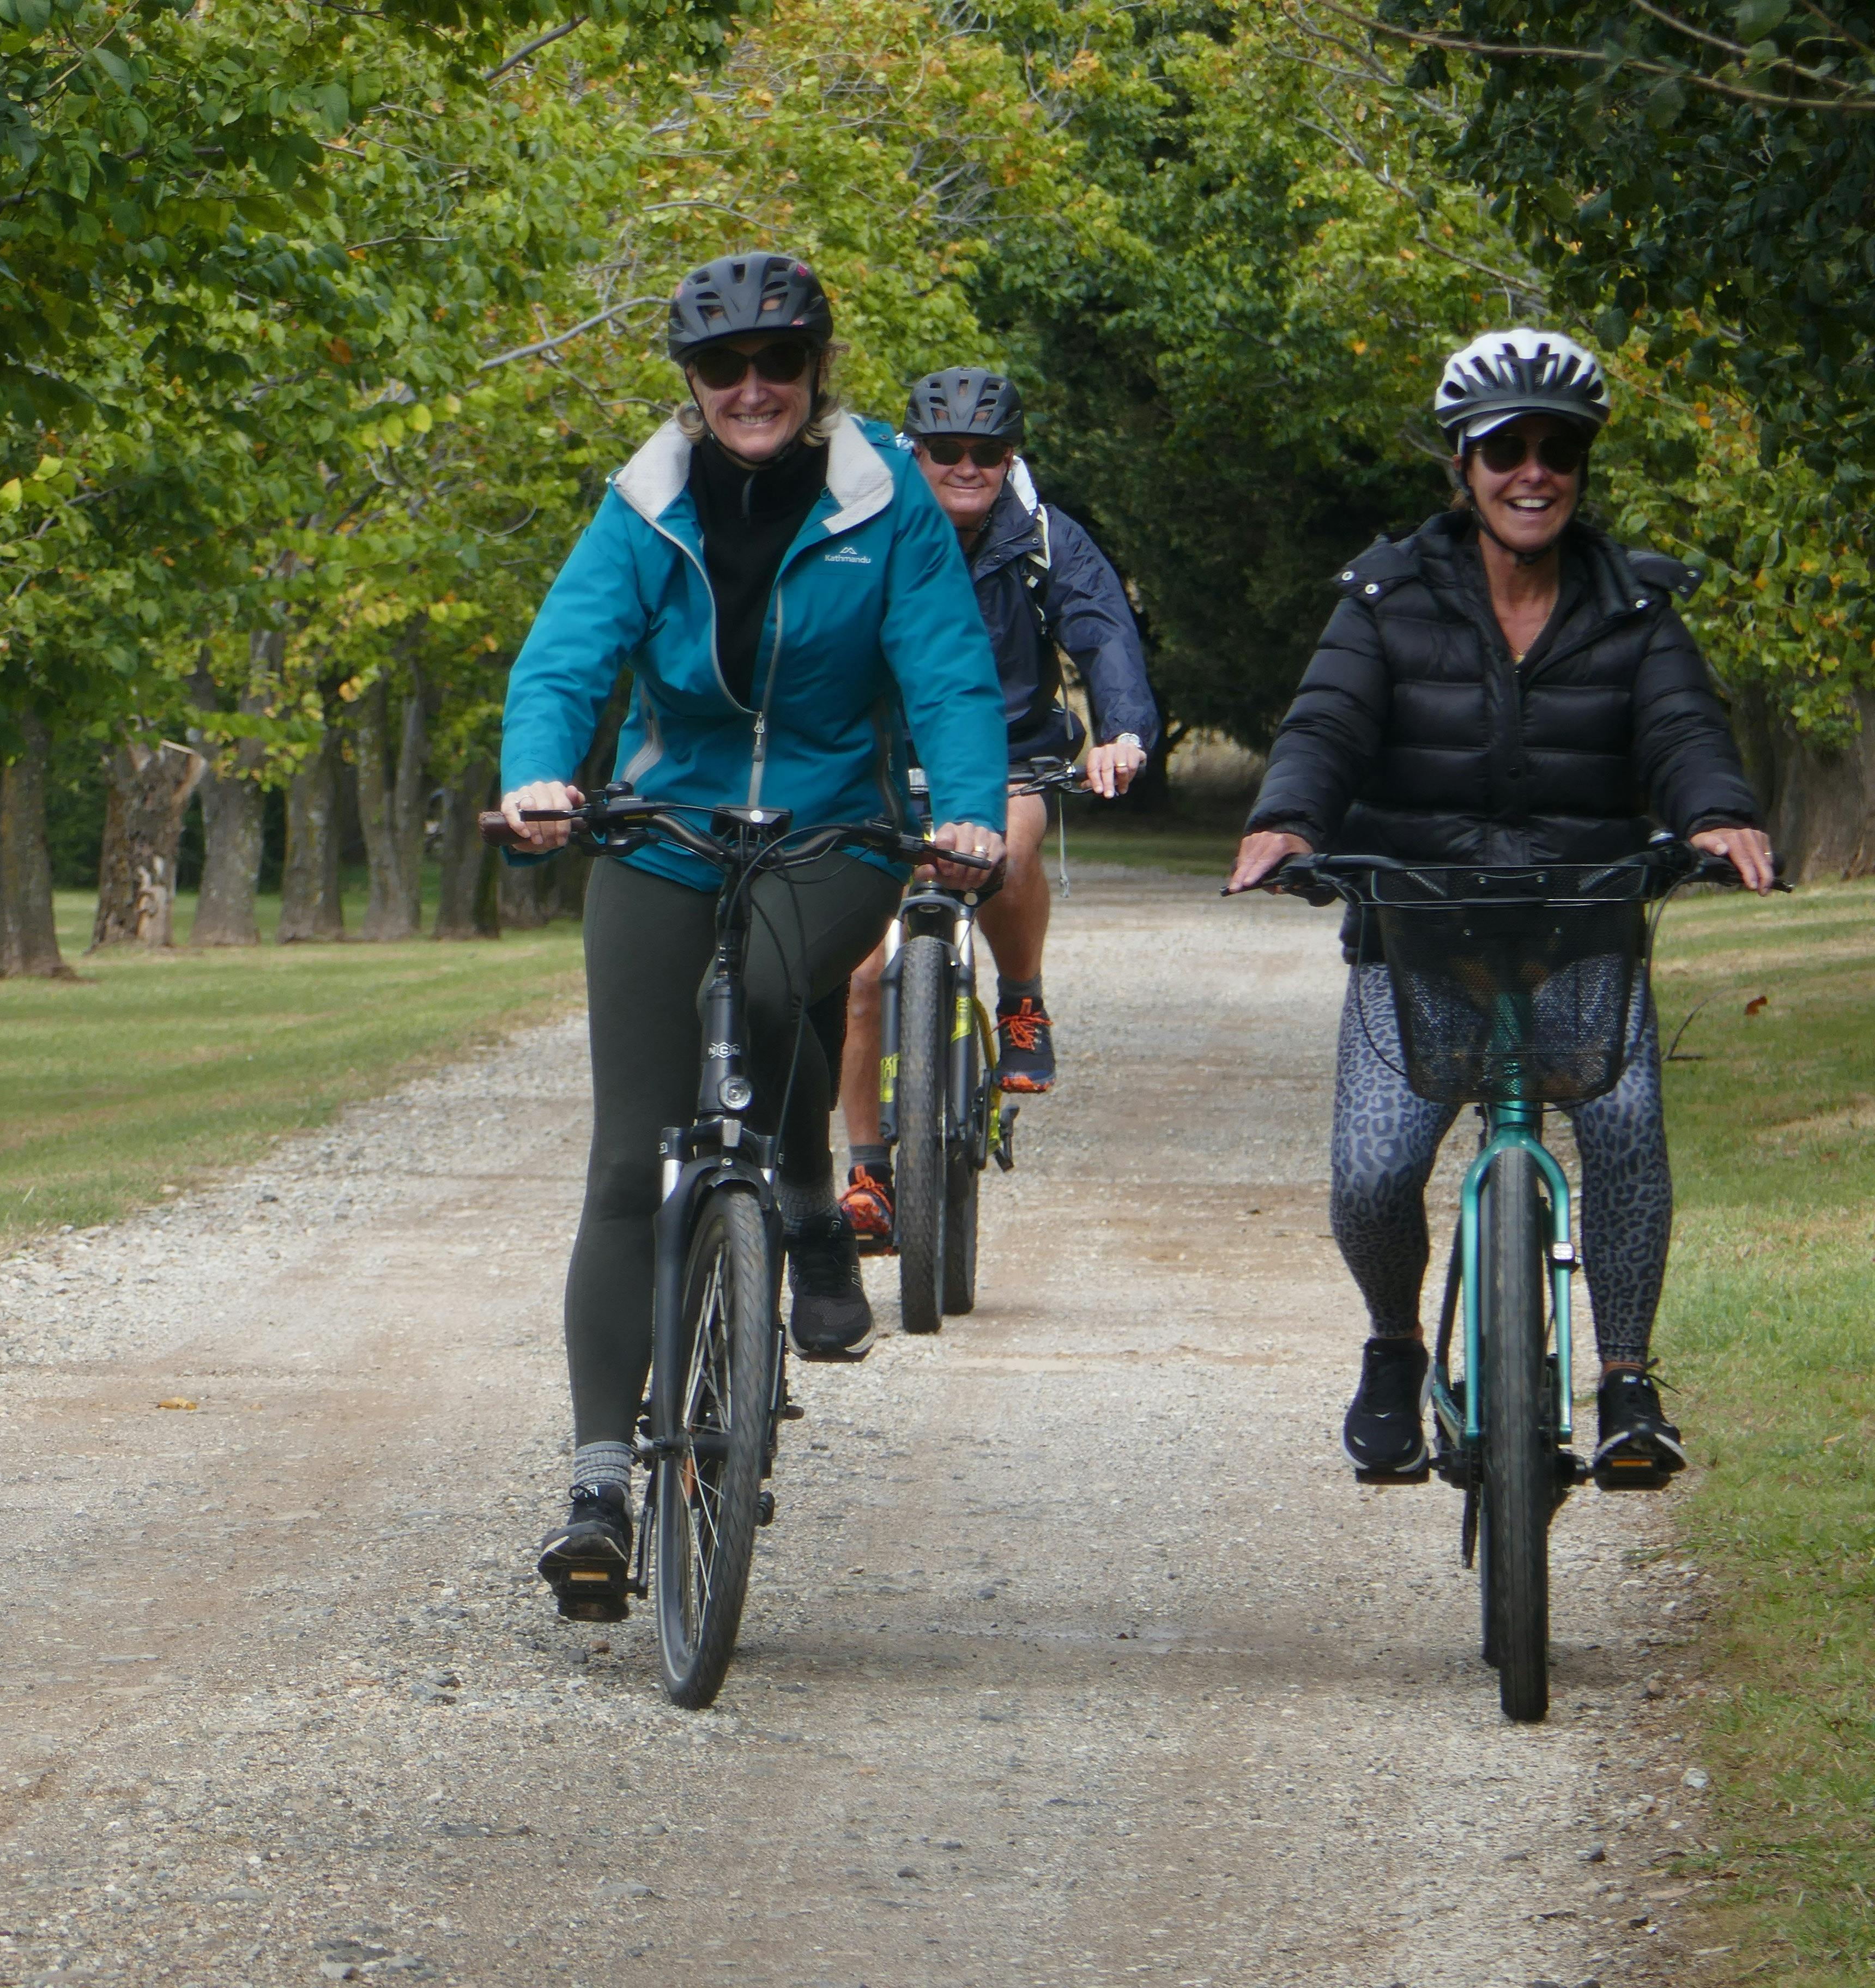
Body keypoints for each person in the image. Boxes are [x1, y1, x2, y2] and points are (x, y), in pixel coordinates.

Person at [496, 253, 1007, 1616]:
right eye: (724, 370)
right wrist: (542, 774)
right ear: (693, 386)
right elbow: (566, 651)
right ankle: (601, 1480)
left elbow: (949, 668)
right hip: (665, 825)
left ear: (818, 369)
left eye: (779, 363)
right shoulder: (646, 500)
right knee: (627, 1156)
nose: (753, 389)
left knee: (783, 988)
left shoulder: (884, 494)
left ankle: (800, 1203)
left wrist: (966, 815)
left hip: (830, 825)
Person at [1226, 328, 1773, 1481]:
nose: (1534, 473)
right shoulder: (1384, 596)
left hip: (1582, 930)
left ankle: (1625, 1380)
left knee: (1624, 1131)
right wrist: (1289, 822)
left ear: (1582, 464)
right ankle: (1393, 1345)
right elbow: (1327, 724)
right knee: (1375, 1175)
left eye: (1558, 449)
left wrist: (1716, 812)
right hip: (1419, 932)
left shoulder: (1635, 605)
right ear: (1462, 466)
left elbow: (1681, 728)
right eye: (1505, 448)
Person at [835, 367, 1159, 1248]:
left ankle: (1022, 998)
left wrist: (1122, 731)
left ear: (1011, 456)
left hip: (1012, 752)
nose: (967, 468)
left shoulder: (1046, 537)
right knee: (861, 978)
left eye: (988, 453)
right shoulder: (866, 526)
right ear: (915, 451)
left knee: (1006, 850)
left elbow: (1103, 632)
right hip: (881, 767)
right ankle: (866, 1171)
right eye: (947, 452)